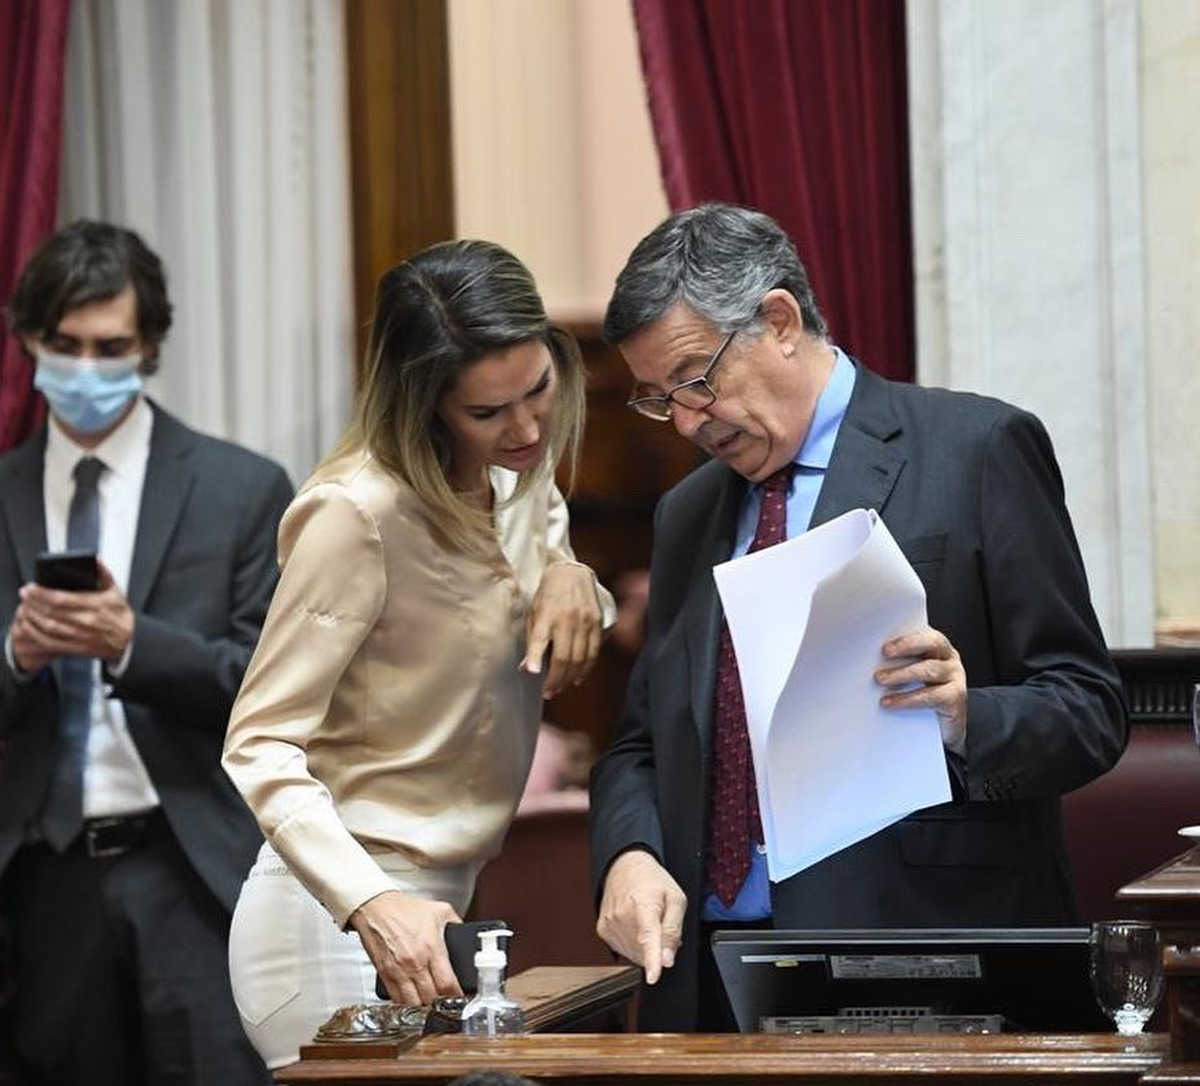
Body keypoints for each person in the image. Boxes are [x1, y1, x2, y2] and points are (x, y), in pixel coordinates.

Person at [588, 203, 1127, 1032]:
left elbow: (1089, 710)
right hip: (712, 977)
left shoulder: (976, 450)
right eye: (660, 400)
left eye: (697, 381)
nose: (689, 423)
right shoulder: (687, 513)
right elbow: (640, 745)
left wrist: (963, 714)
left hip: (925, 961)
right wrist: (629, 855)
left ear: (778, 321)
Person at [222, 238, 614, 1068]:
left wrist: (579, 577)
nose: (527, 426)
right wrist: (369, 901)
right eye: (488, 411)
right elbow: (257, 743)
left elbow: (538, 595)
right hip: (332, 916)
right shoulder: (354, 515)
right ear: (425, 403)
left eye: (539, 387)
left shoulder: (516, 473)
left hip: (448, 905)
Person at [0, 220, 293, 1084]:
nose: (86, 369)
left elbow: (265, 688)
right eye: (65, 346)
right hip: (44, 877)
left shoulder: (241, 489)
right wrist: (17, 657)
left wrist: (133, 645)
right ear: (27, 340)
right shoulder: (3, 492)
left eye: (112, 347)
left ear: (151, 345)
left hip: (192, 866)